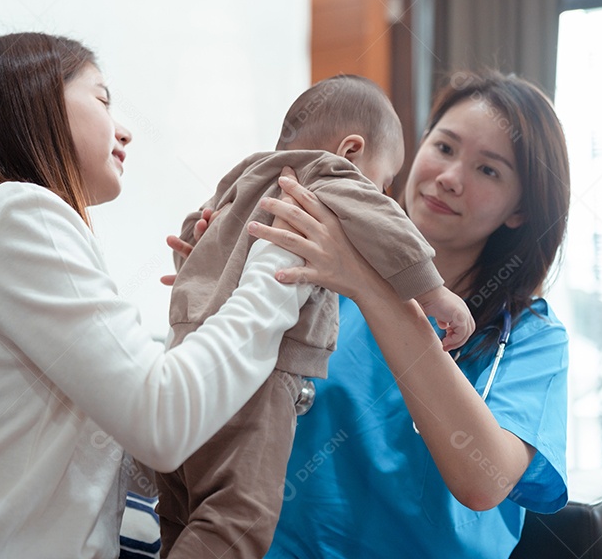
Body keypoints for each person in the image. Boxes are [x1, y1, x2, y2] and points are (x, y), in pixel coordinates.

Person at [0, 32, 324, 559]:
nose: (125, 130)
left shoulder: (5, 228)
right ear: (35, 103)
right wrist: (278, 264)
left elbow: (145, 452)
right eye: (103, 98)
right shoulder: (19, 214)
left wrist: (214, 299)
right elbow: (162, 422)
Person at [255, 70, 572, 558]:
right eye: (444, 147)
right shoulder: (319, 270)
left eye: (488, 170)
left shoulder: (532, 339)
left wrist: (374, 288)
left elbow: (483, 482)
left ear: (520, 210)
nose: (449, 178)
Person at [155, 76, 475, 558]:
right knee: (239, 517)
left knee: (180, 508)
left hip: (185, 361)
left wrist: (195, 268)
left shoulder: (247, 174)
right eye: (383, 181)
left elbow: (193, 233)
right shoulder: (331, 174)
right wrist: (435, 295)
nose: (384, 195)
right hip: (257, 381)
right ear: (352, 151)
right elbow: (389, 230)